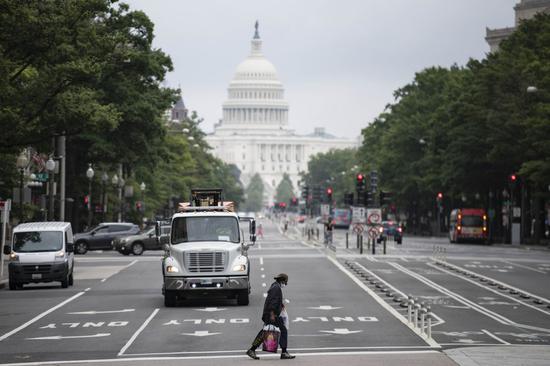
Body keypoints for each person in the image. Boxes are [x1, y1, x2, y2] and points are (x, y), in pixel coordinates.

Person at [246, 273, 295, 360]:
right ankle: (284, 352)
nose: (286, 284)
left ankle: (252, 349)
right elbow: (273, 302)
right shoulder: (276, 288)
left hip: (271, 314)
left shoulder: (275, 286)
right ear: (282, 280)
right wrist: (272, 314)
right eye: (285, 282)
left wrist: (281, 305)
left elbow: (274, 301)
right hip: (272, 315)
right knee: (283, 330)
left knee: (264, 332)